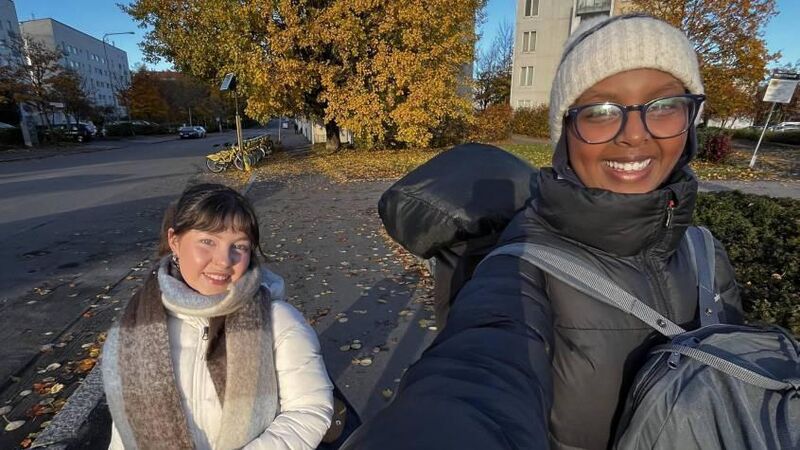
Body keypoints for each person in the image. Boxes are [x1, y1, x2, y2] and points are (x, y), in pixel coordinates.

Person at [341, 14, 743, 450]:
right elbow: (477, 373)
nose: (633, 135)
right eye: (601, 112)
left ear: (692, 117)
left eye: (663, 107)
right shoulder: (522, 266)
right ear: (565, 132)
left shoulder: (704, 251)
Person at [102, 183, 334, 450]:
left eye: (239, 246)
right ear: (174, 241)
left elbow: (309, 409)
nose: (224, 260)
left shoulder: (279, 321)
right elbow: (125, 428)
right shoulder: (134, 326)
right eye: (207, 241)